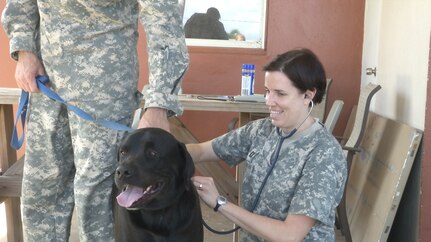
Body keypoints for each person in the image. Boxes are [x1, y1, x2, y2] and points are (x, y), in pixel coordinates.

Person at [1, 0, 188, 241]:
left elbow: (165, 25)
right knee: (42, 189)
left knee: (97, 199)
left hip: (105, 90)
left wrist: (159, 105)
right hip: (46, 84)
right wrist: (24, 50)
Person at [188, 49, 347, 241]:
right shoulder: (262, 130)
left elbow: (289, 235)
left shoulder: (324, 154)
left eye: (280, 93)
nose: (269, 102)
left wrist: (220, 203)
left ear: (308, 95)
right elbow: (203, 150)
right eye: (267, 91)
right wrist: (158, 151)